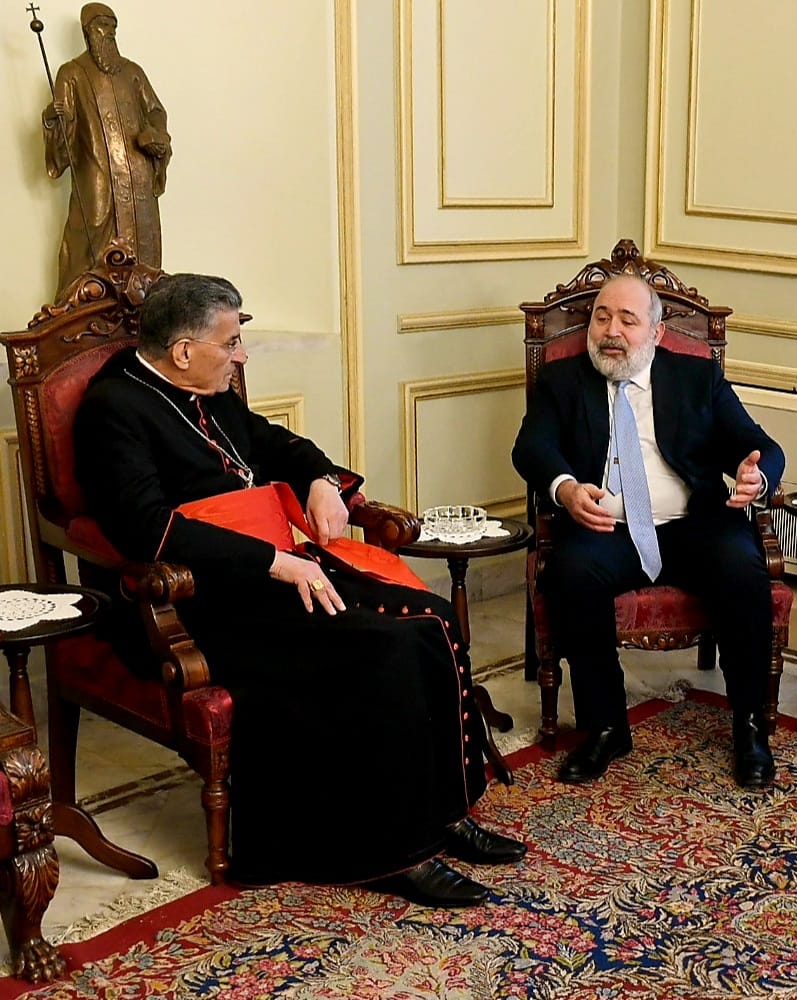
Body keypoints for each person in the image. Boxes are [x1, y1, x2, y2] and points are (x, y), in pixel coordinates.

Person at [73, 273, 526, 908]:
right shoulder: (114, 409)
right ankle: (399, 849)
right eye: (232, 342)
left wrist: (317, 479)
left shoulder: (207, 389)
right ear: (183, 350)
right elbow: (147, 528)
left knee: (431, 618)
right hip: (203, 599)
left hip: (272, 572)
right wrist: (275, 563)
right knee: (387, 648)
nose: (241, 356)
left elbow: (277, 444)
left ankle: (445, 812)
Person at [512, 273, 784, 789]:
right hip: (607, 528)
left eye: (627, 320)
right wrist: (566, 489)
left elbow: (760, 446)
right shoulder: (563, 381)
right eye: (601, 317)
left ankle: (751, 728)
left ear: (656, 333)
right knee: (571, 570)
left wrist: (757, 476)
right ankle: (606, 727)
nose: (610, 331)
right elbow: (531, 447)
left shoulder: (696, 378)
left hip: (691, 525)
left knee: (742, 563)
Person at [42, 3, 170, 297]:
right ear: (88, 31)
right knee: (89, 238)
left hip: (137, 174)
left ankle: (144, 302)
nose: (109, 33)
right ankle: (81, 304)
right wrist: (53, 120)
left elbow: (155, 111)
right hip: (96, 173)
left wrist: (156, 135)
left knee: (142, 239)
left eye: (113, 27)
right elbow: (64, 124)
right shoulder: (72, 73)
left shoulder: (133, 72)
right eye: (102, 26)